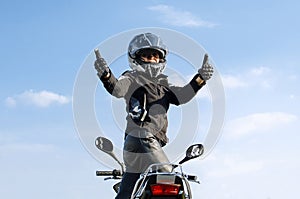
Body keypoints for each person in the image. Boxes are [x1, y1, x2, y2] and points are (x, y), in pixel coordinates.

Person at [94, 32, 213, 199]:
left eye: (155, 56)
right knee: (171, 178)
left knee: (127, 192)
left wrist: (200, 78)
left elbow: (182, 96)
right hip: (142, 137)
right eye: (147, 56)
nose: (152, 59)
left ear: (161, 59)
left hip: (139, 145)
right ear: (137, 59)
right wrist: (106, 75)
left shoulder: (163, 84)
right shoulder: (132, 77)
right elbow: (118, 89)